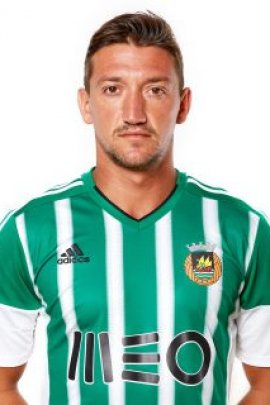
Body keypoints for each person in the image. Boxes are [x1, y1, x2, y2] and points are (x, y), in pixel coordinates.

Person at [0, 10, 269, 405]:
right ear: (86, 103)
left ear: (183, 104)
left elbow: (265, 382)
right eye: (112, 89)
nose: (133, 114)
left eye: (155, 90)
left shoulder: (242, 230)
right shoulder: (29, 230)